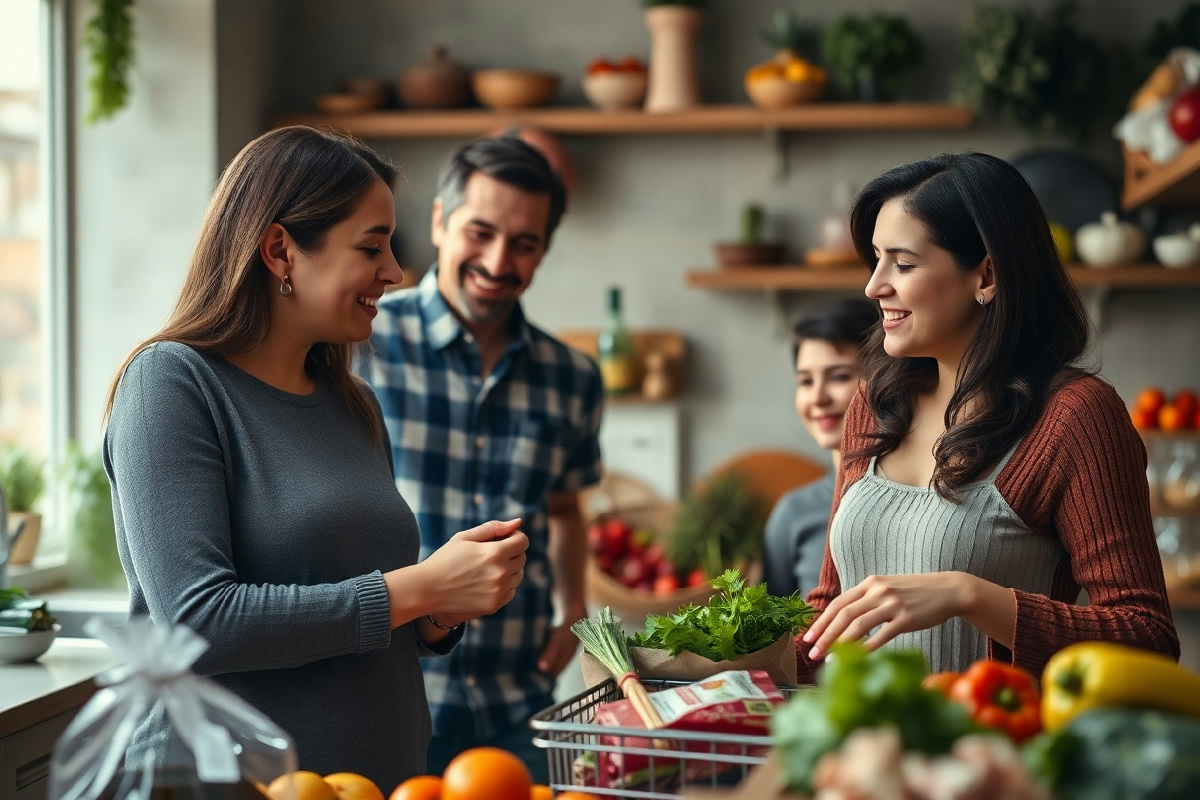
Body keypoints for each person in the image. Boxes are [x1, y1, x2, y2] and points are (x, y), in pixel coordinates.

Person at [102, 126, 529, 790]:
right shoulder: (172, 385)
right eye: (370, 246)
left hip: (382, 781)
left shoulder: (352, 404)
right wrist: (420, 587)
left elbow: (360, 612)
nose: (394, 271)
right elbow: (197, 621)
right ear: (280, 251)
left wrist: (439, 614)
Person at [799, 152, 1179, 677]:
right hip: (859, 749)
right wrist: (713, 665)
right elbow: (828, 614)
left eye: (903, 264)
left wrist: (969, 596)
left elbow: (1148, 637)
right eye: (876, 260)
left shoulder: (1073, 417)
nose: (874, 286)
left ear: (987, 274)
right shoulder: (877, 400)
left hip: (995, 749)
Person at [360, 134, 603, 781]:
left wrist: (573, 607)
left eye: (524, 243)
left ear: (544, 251)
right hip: (390, 692)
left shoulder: (574, 377)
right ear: (440, 222)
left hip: (517, 700)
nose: (499, 260)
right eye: (481, 231)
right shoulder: (361, 342)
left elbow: (565, 507)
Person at [763, 299, 877, 598]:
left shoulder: (923, 498)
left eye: (839, 376)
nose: (817, 398)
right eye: (805, 381)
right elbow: (779, 638)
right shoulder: (793, 513)